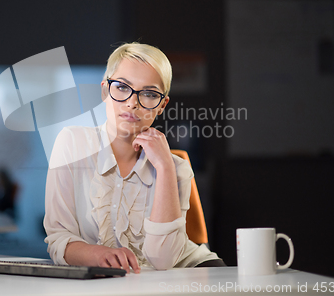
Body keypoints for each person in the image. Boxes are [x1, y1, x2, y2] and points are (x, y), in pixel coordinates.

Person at [44, 43, 224, 273]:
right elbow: (59, 237)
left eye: (149, 94)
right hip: (113, 279)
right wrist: (99, 255)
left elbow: (163, 261)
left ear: (161, 105)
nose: (132, 102)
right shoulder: (72, 143)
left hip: (185, 273)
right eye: (121, 87)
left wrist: (165, 168)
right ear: (104, 91)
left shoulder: (175, 168)